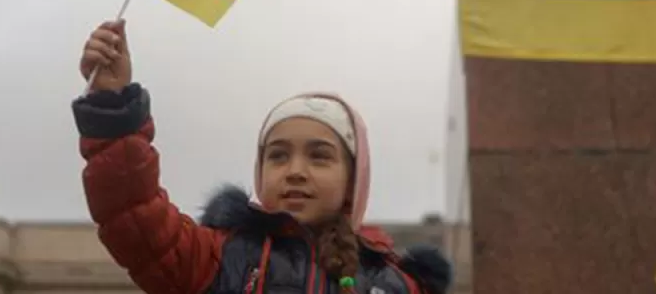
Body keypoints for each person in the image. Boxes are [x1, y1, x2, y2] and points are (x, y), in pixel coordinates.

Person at [74, 20, 452, 294]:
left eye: (319, 157)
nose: (295, 172)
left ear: (354, 178)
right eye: (278, 156)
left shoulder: (397, 283)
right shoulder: (217, 255)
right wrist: (112, 104)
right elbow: (133, 212)